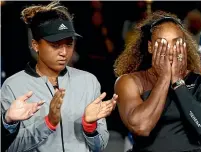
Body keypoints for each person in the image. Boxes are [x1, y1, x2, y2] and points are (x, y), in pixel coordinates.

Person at [1, 1, 117, 152]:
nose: (64, 52)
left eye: (69, 44)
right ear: (35, 45)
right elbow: (9, 148)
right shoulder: (13, 86)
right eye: (55, 45)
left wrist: (89, 127)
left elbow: (99, 147)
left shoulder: (88, 81)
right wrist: (48, 123)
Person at [114, 10, 201, 152]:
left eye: (176, 43)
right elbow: (141, 127)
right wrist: (164, 78)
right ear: (150, 47)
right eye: (162, 44)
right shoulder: (130, 81)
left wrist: (177, 82)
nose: (170, 51)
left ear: (184, 47)